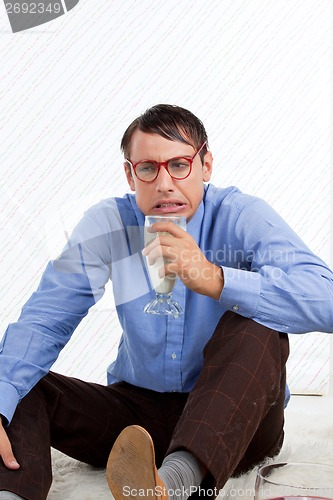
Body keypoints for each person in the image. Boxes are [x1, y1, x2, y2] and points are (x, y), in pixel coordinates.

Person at [0, 104, 332, 500]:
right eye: (148, 168)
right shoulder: (108, 223)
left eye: (179, 165)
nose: (164, 183)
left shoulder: (241, 215)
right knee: (15, 384)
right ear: (130, 174)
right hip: (137, 417)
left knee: (256, 324)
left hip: (238, 419)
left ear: (205, 165)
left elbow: (325, 298)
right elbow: (45, 319)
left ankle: (172, 486)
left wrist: (217, 279)